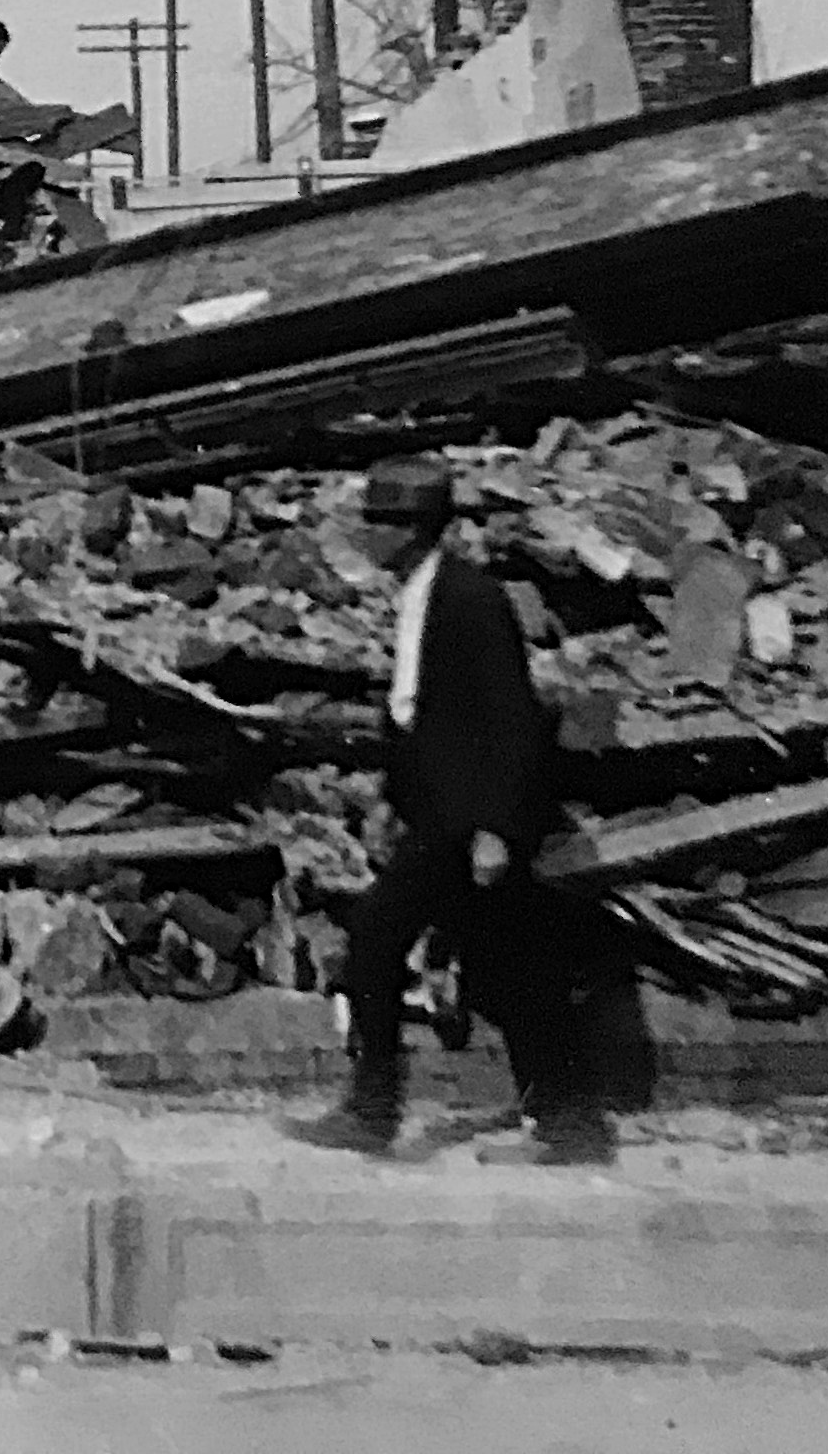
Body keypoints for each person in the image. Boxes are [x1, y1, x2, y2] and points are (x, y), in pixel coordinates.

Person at [286, 454, 614, 1167]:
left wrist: (495, 829)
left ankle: (377, 1115)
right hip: (437, 819)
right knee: (508, 972)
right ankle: (567, 1123)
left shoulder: (471, 599)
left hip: (466, 826)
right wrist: (391, 799)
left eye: (377, 522)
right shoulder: (418, 595)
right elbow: (417, 715)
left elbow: (511, 721)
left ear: (411, 528)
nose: (366, 536)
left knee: (375, 948)